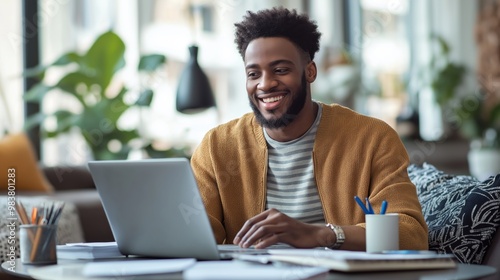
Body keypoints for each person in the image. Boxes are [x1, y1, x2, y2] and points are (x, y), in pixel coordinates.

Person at [190, 7, 428, 251]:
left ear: (310, 71)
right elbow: (191, 232)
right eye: (253, 73)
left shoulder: (372, 138)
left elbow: (410, 234)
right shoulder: (217, 147)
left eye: (281, 70)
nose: (265, 84)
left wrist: (322, 234)